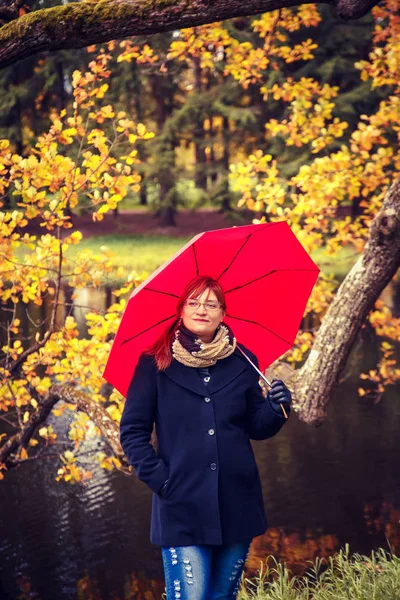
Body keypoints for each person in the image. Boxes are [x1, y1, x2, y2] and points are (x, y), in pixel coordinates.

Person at [119, 275, 292, 600]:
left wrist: (276, 407)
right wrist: (162, 481)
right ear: (181, 309)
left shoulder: (244, 360)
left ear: (223, 313)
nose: (202, 309)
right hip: (181, 504)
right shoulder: (154, 362)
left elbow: (256, 426)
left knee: (222, 597)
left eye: (211, 304)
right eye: (194, 302)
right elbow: (132, 432)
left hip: (237, 501)